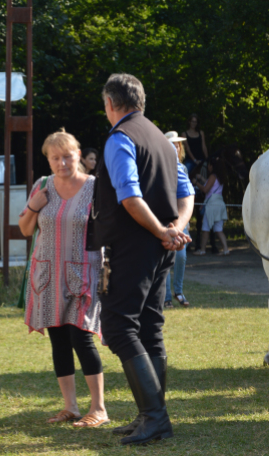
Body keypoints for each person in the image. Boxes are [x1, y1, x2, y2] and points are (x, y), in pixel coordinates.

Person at [87, 73, 194, 445]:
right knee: (149, 326)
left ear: (112, 104)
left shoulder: (121, 139)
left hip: (134, 245)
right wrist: (174, 229)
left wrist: (164, 232)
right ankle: (149, 414)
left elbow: (130, 198)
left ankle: (154, 416)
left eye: (105, 106)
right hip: (161, 247)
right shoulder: (165, 143)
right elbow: (187, 192)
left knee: (118, 326)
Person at [18, 129, 108, 428]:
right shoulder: (42, 186)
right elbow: (25, 229)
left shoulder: (95, 187)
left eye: (67, 156)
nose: (62, 163)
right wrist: (34, 206)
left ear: (78, 155)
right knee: (58, 339)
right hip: (48, 274)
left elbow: (110, 228)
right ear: (48, 159)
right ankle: (70, 406)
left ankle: (99, 408)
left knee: (82, 337)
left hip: (84, 273)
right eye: (55, 158)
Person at [163, 132, 190, 309]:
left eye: (178, 144)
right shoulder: (160, 167)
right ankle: (165, 297)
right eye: (172, 143)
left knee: (180, 256)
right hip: (164, 220)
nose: (176, 146)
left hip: (181, 221)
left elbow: (187, 196)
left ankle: (178, 291)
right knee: (166, 258)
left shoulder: (184, 168)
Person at [193, 156, 229, 256]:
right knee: (218, 229)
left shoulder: (213, 176)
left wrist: (196, 183)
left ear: (211, 166)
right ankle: (226, 249)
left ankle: (202, 250)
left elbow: (205, 189)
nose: (208, 166)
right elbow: (211, 186)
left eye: (209, 164)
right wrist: (202, 179)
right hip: (219, 203)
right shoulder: (219, 176)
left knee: (205, 228)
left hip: (212, 204)